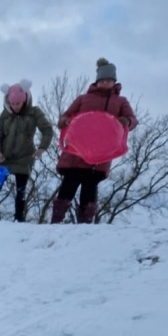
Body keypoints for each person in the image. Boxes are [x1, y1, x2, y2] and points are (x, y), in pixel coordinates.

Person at [52, 58, 138, 224]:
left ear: (114, 82)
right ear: (97, 81)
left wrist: (126, 121)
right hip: (77, 151)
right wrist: (63, 121)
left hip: (101, 153)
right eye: (102, 80)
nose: (105, 83)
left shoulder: (121, 101)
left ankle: (85, 224)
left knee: (90, 187)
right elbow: (67, 115)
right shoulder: (83, 99)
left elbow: (132, 119)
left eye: (109, 80)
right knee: (69, 184)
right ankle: (55, 221)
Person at [0, 80, 53, 222]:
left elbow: (47, 130)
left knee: (21, 190)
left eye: (18, 104)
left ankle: (19, 219)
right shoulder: (5, 115)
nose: (15, 107)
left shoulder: (34, 113)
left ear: (25, 100)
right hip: (3, 158)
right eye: (12, 104)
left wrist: (42, 147)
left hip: (24, 157)